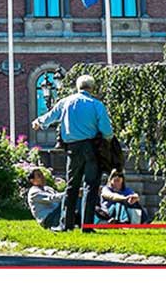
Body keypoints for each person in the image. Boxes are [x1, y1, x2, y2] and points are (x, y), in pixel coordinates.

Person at [32, 74, 113, 233]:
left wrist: (38, 122)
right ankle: (87, 226)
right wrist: (107, 139)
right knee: (90, 185)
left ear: (77, 87)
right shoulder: (97, 105)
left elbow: (51, 116)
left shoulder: (66, 102)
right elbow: (107, 131)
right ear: (92, 88)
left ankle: (66, 224)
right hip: (91, 148)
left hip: (72, 148)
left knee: (72, 186)